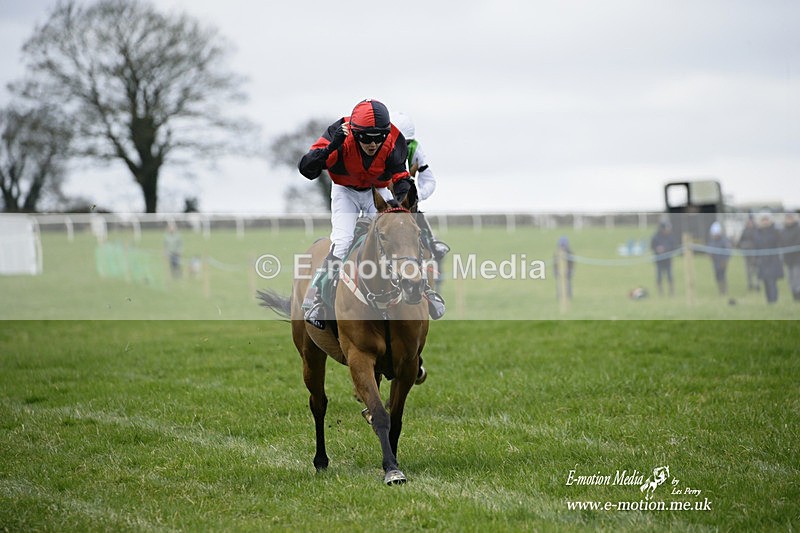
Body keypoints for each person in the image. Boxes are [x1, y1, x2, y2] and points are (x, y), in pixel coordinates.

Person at [297, 99, 445, 329]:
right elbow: (307, 168)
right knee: (343, 241)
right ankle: (316, 296)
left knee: (402, 231)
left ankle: (425, 290)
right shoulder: (339, 134)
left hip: (376, 191)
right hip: (345, 191)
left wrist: (401, 207)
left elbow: (401, 179)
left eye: (379, 137)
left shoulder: (395, 141)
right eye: (366, 138)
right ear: (354, 133)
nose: (373, 143)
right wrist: (331, 148)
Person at [391, 111, 450, 290]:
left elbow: (429, 181)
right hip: (379, 195)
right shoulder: (376, 147)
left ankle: (431, 242)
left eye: (405, 144)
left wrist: (417, 196)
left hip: (404, 196)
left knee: (416, 215)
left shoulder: (415, 147)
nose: (402, 148)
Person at [754, 214, 784, 304]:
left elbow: (780, 241)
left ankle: (773, 300)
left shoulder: (775, 231)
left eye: (766, 220)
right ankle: (769, 300)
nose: (765, 222)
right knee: (765, 282)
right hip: (763, 261)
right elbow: (756, 245)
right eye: (763, 220)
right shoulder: (758, 232)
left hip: (773, 260)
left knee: (772, 281)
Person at [651, 222, 678, 296]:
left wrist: (665, 249)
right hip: (659, 260)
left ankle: (671, 292)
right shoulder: (656, 237)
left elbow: (674, 247)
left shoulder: (671, 236)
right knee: (659, 277)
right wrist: (657, 250)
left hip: (668, 260)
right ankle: (660, 292)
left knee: (670, 276)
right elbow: (652, 246)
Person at [707, 221, 732, 295]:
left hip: (722, 262)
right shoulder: (712, 241)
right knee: (717, 276)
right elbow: (709, 249)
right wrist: (709, 254)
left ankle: (724, 290)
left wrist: (725, 260)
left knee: (722, 275)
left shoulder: (724, 240)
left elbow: (728, 251)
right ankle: (720, 289)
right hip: (715, 261)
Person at [780, 212, 800, 302]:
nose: (789, 220)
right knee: (790, 279)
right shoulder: (783, 230)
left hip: (797, 258)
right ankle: (794, 296)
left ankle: (798, 296)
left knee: (797, 278)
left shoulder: (798, 229)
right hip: (787, 259)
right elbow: (782, 242)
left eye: (791, 218)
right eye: (788, 218)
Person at [737, 216, 760, 291]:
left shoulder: (757, 230)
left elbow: (759, 241)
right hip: (747, 255)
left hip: (755, 255)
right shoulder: (745, 231)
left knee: (756, 270)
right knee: (748, 271)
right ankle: (750, 284)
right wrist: (745, 245)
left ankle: (757, 284)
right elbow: (740, 242)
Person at [553, 236, 574, 300]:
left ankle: (568, 295)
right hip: (559, 271)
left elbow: (571, 263)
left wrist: (569, 270)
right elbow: (555, 264)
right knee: (560, 284)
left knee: (568, 283)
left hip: (568, 271)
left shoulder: (570, 253)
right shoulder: (556, 254)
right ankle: (559, 295)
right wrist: (556, 271)